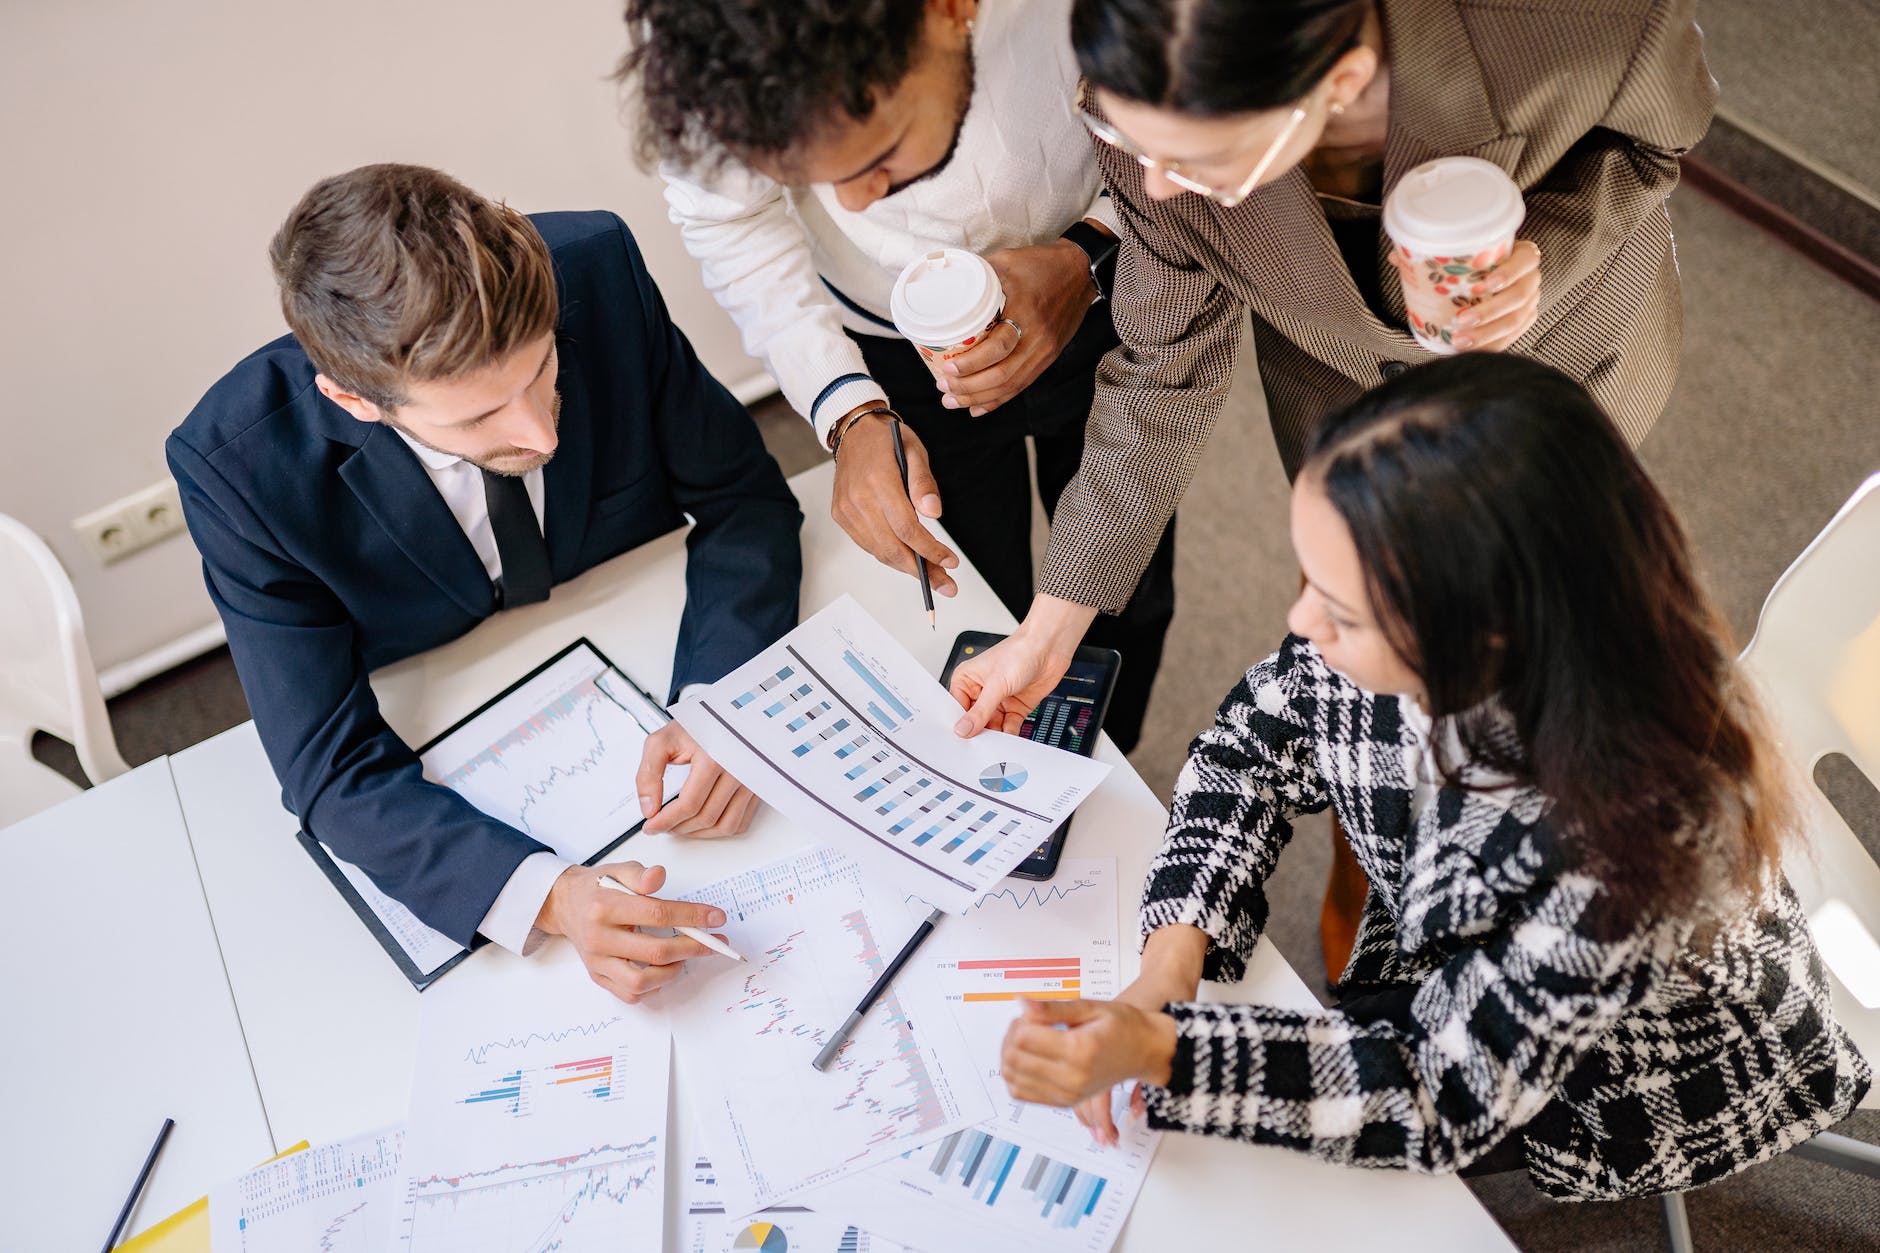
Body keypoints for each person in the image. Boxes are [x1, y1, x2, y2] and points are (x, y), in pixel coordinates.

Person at [949, 0, 1716, 976]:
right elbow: (1162, 372)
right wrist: (1048, 626)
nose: (1149, 185)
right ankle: (1371, 866)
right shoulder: (1155, 108)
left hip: (1562, 372)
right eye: (1127, 142)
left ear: (1341, 84)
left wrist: (1542, 252)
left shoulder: (1582, 21)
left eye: (1193, 161)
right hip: (1342, 404)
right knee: (1373, 654)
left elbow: (1655, 142)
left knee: (1551, 648)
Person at [998, 354, 1871, 1198]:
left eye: (1339, 610)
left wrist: (1167, 1051)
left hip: (1624, 1078)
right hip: (1454, 953)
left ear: (1478, 633)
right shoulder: (1448, 623)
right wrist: (1168, 964)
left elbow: (1436, 1089)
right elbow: (1247, 741)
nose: (1301, 621)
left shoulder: (1634, 839)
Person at [167, 164, 803, 1004]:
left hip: (643, 622)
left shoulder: (599, 268)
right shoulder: (237, 466)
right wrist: (549, 895)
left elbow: (743, 500)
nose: (538, 430)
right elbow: (327, 768)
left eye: (543, 371)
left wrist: (723, 699)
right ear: (356, 401)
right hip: (448, 696)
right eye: (476, 418)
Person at [618, 0, 1173, 752]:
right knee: (976, 604)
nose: (853, 204)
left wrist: (1094, 246)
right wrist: (844, 406)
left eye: (876, 158)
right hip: (897, 347)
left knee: (1128, 590)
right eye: (806, 178)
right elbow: (728, 219)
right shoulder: (699, 32)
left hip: (1128, 254)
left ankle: (1117, 761)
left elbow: (1184, 66)